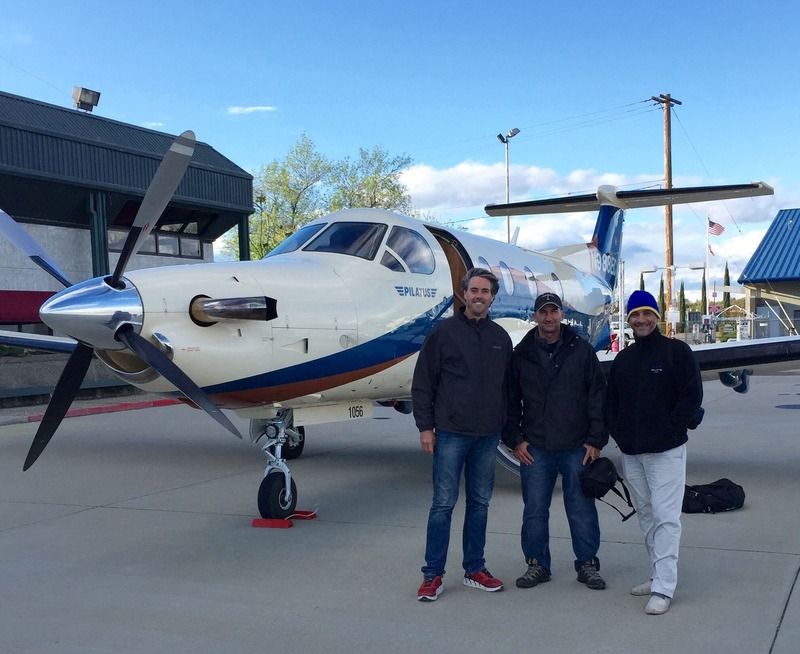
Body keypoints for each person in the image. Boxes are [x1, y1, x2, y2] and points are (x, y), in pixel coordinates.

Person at [412, 268, 513, 602]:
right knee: (443, 504)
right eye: (474, 290)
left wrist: (509, 429)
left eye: (485, 291)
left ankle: (474, 569)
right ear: (464, 294)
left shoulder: (500, 338)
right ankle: (432, 574)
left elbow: (509, 389)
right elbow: (423, 382)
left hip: (488, 436)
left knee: (480, 503)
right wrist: (425, 427)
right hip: (451, 433)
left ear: (492, 297)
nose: (479, 296)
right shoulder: (443, 334)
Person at [502, 292, 608, 592]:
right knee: (534, 509)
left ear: (562, 314)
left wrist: (596, 439)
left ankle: (587, 564)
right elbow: (510, 400)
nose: (549, 317)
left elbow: (597, 397)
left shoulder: (581, 350)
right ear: (535, 316)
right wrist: (515, 439)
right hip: (536, 448)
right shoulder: (521, 354)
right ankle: (537, 564)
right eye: (543, 312)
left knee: (581, 507)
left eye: (554, 311)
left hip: (576, 446)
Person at [606, 290, 703, 615]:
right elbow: (612, 403)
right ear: (629, 320)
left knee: (666, 517)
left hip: (666, 452)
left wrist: (671, 429)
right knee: (646, 516)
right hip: (633, 453)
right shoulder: (623, 359)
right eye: (635, 315)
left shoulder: (677, 352)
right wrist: (620, 436)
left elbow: (691, 396)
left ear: (657, 317)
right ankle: (656, 574)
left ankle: (664, 587)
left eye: (647, 313)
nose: (642, 320)